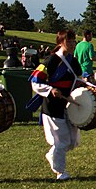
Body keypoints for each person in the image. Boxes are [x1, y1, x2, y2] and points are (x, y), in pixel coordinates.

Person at [29, 29, 83, 180]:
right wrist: (50, 89)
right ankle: (60, 172)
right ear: (60, 42)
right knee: (61, 140)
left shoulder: (72, 60)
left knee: (72, 141)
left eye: (73, 41)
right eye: (69, 41)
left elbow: (77, 78)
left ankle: (52, 154)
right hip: (52, 106)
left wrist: (88, 86)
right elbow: (34, 81)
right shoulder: (50, 60)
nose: (72, 44)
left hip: (68, 104)